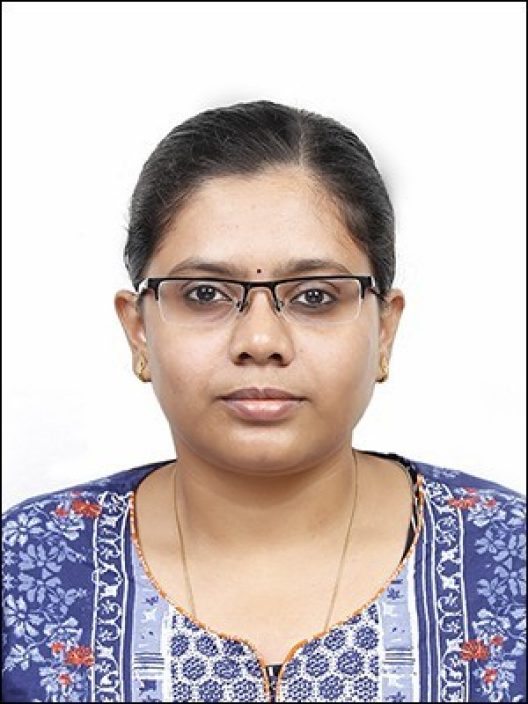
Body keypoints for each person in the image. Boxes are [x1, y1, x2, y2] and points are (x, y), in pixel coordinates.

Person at [2, 100, 525, 704]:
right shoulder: (24, 566)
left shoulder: (509, 561)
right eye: (205, 293)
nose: (260, 341)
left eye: (314, 296)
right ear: (138, 331)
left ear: (384, 330)